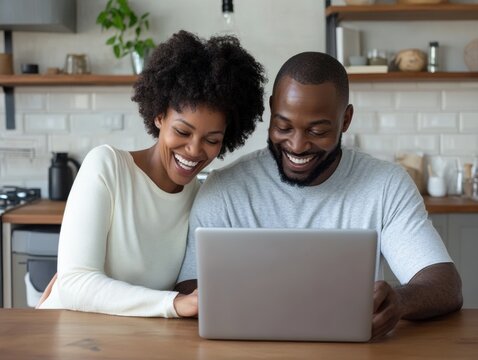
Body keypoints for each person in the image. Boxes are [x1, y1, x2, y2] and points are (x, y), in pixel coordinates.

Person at [175, 51, 463, 338]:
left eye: (317, 131)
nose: (298, 146)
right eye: (283, 126)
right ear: (273, 108)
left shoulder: (386, 185)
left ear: (346, 120)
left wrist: (399, 301)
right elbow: (189, 287)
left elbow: (445, 285)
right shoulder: (224, 189)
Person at [38, 30, 266, 317]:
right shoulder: (107, 167)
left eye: (211, 140)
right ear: (159, 116)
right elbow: (74, 285)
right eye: (182, 131)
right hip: (67, 333)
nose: (194, 151)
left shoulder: (201, 199)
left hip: (128, 340)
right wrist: (172, 303)